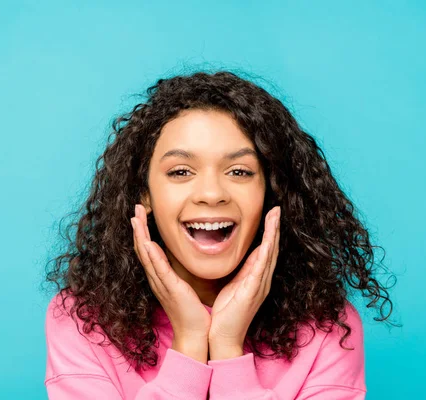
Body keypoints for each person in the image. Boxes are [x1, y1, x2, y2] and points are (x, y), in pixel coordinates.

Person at [43, 70, 397, 399]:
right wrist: (190, 343)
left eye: (240, 172)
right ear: (143, 193)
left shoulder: (328, 328)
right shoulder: (84, 320)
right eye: (181, 171)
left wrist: (227, 347)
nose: (212, 194)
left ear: (271, 193)